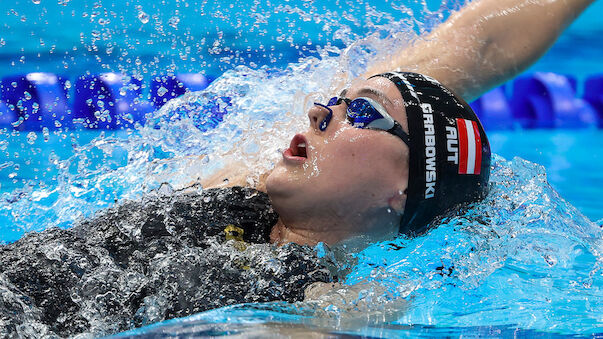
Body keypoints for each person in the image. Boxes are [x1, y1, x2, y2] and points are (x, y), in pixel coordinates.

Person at [0, 0, 595, 337]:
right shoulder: (238, 189)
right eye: (337, 98)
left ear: (402, 191)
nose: (321, 108)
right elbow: (473, 47)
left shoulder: (334, 303)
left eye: (361, 111)